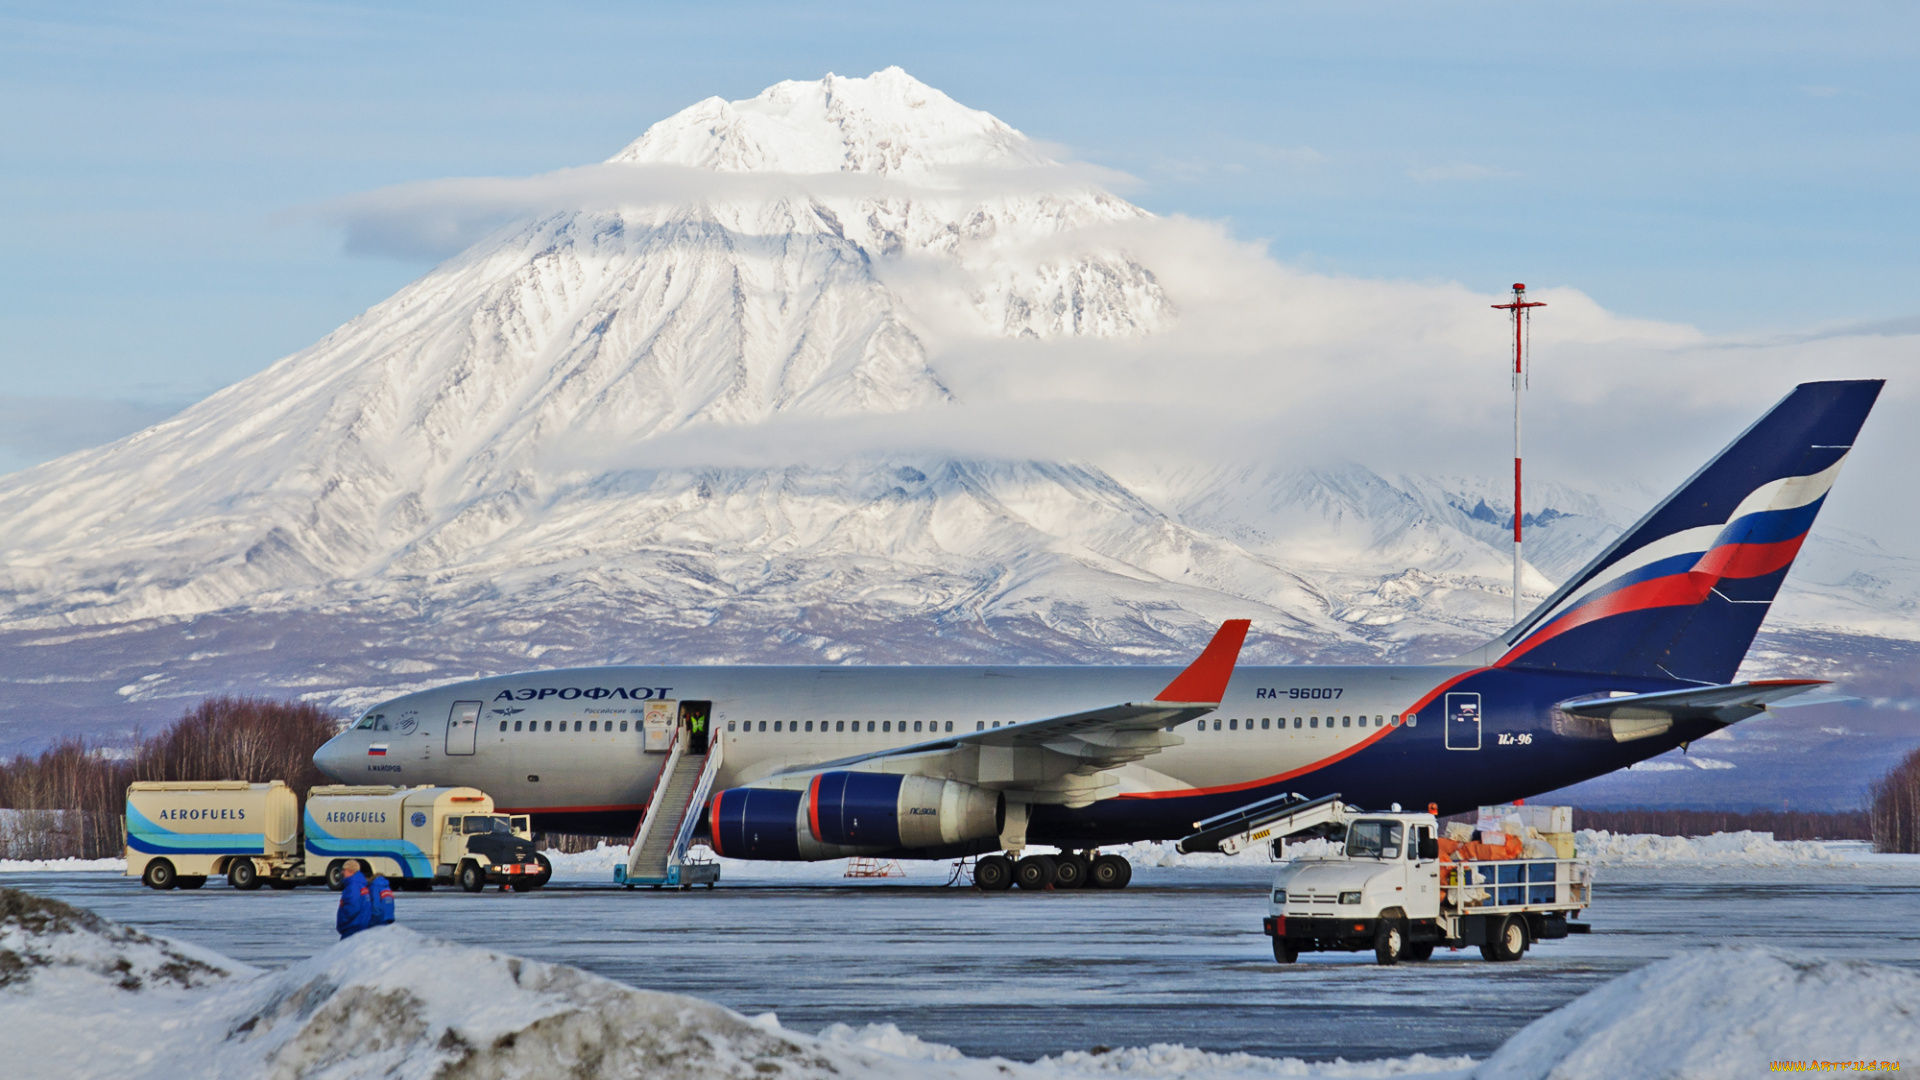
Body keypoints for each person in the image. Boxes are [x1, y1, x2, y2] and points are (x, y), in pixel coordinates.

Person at [336, 859, 373, 939]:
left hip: (353, 928)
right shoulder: (361, 883)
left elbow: (353, 907)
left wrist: (342, 921)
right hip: (360, 926)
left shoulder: (353, 885)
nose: (342, 872)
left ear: (351, 870)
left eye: (344, 870)